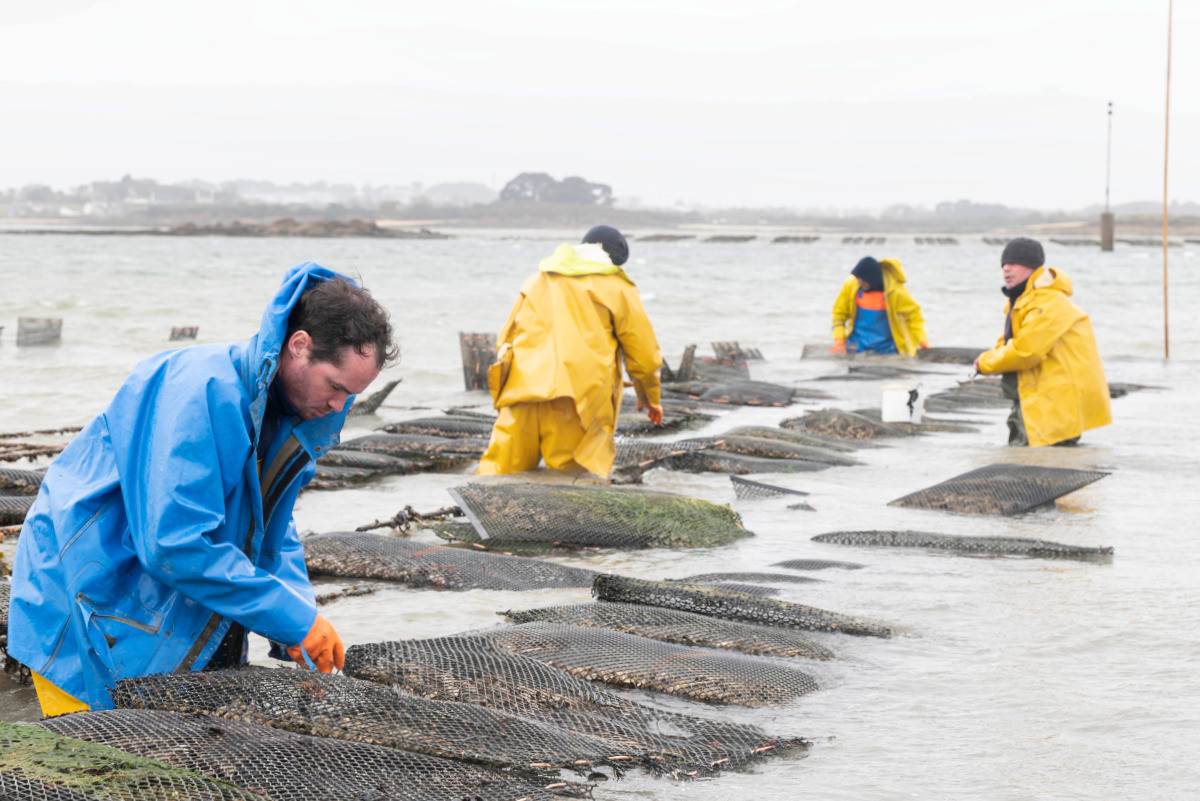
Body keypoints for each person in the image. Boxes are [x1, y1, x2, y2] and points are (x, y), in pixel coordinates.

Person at [8, 262, 398, 714]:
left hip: (158, 598)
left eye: (351, 394)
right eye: (335, 386)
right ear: (299, 346)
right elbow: (173, 545)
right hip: (85, 590)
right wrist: (293, 620)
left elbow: (273, 530)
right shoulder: (200, 392)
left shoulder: (294, 416)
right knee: (99, 767)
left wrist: (298, 613)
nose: (339, 405)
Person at [477, 225, 663, 479]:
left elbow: (506, 339)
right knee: (573, 486)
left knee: (497, 478)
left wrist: (505, 388)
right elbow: (643, 354)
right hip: (576, 401)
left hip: (521, 394)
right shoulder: (617, 287)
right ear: (615, 261)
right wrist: (648, 397)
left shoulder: (537, 279)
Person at [974, 237, 1111, 447]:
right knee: (1029, 463)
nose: (1006, 269)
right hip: (1039, 400)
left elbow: (1026, 352)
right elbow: (1010, 342)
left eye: (1014, 263)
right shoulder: (1024, 300)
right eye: (1004, 264)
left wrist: (984, 363)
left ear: (1032, 267)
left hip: (1053, 404)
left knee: (1033, 468)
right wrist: (990, 357)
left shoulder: (1046, 302)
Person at [830, 256, 928, 355]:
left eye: (863, 281)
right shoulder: (852, 285)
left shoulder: (896, 291)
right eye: (858, 279)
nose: (859, 283)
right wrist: (839, 339)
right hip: (857, 344)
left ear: (872, 279)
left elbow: (914, 318)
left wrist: (922, 340)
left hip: (888, 347)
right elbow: (838, 313)